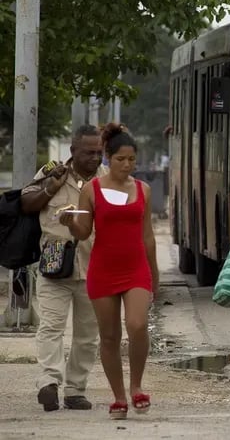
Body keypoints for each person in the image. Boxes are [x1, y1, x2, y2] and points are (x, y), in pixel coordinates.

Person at [60, 123, 158, 420]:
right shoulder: (91, 190)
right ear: (107, 158)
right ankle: (118, 397)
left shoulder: (143, 189)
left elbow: (148, 236)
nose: (127, 165)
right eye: (120, 159)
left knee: (138, 325)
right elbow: (83, 231)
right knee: (110, 336)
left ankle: (137, 385)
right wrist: (68, 223)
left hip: (135, 268)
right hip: (103, 269)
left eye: (132, 160)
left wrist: (154, 274)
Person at [20, 125, 108, 412]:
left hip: (95, 264)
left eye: (99, 152)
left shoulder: (108, 179)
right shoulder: (53, 172)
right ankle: (49, 382)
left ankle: (75, 390)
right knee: (52, 326)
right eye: (88, 152)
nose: (95, 158)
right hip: (56, 261)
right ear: (73, 151)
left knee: (88, 333)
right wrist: (50, 187)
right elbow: (26, 202)